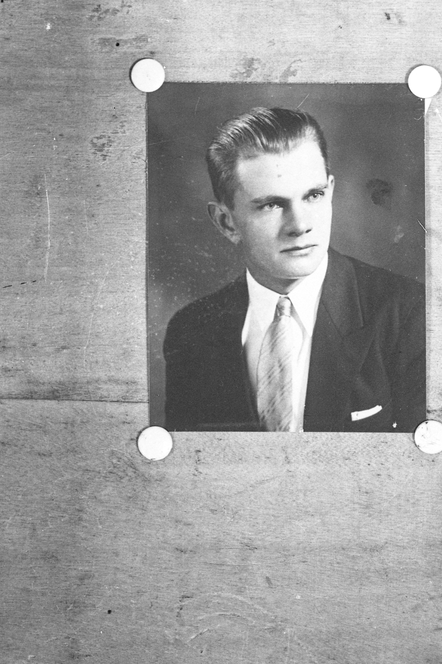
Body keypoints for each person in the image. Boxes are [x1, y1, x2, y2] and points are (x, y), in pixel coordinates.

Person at [163, 107, 425, 432]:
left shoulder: (408, 314)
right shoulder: (191, 331)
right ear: (226, 222)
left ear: (330, 192)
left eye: (313, 196)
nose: (300, 225)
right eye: (271, 205)